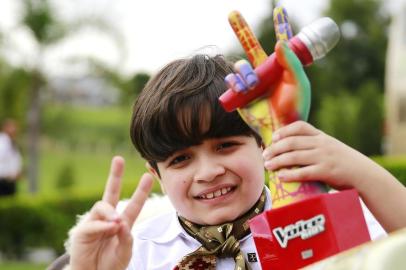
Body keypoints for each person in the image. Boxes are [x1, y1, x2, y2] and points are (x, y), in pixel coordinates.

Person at [65, 42, 406, 270]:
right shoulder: (135, 252)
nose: (209, 171)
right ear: (156, 174)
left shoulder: (322, 218)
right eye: (180, 159)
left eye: (225, 145)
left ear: (260, 143)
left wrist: (363, 173)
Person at [0, 119, 22, 196]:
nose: (14, 129)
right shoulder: (2, 142)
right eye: (12, 127)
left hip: (10, 182)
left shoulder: (11, 142)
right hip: (3, 181)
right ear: (5, 128)